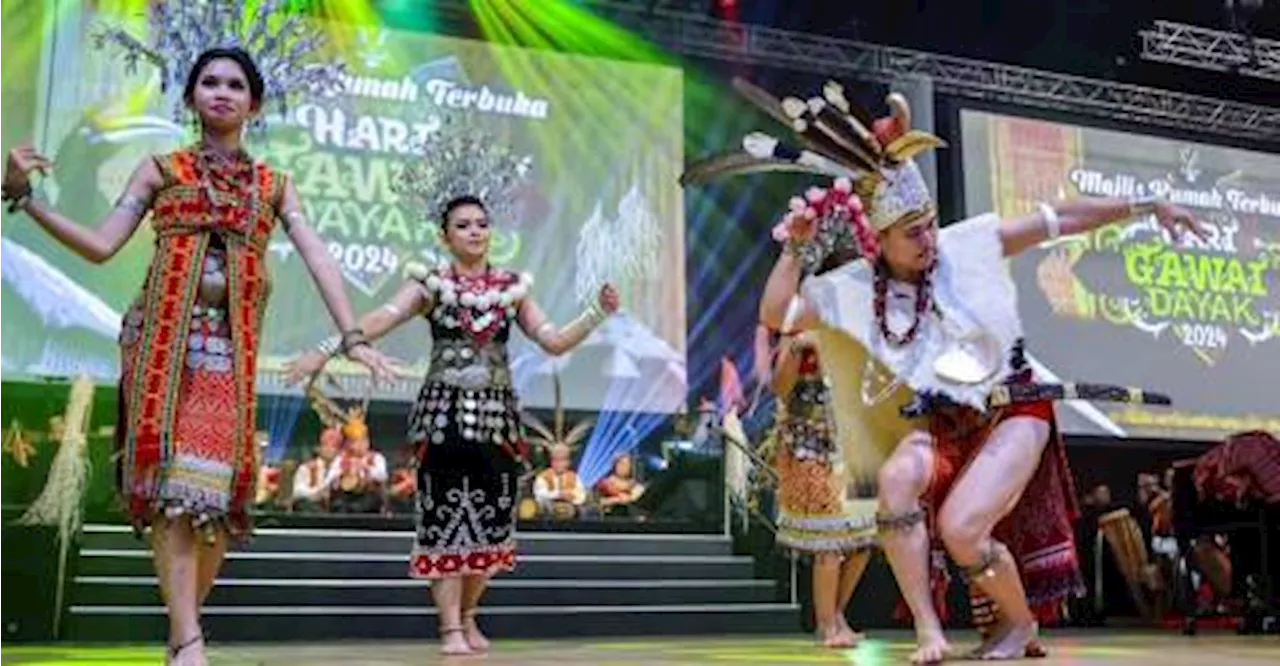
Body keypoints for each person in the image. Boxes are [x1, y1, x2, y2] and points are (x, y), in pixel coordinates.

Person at [685, 79, 1198, 663]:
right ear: (879, 241)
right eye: (913, 232)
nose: (929, 237)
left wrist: (1146, 206)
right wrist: (793, 250)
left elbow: (1058, 220)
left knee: (960, 530)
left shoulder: (967, 244)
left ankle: (1020, 624)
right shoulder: (855, 288)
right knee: (896, 485)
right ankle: (930, 631)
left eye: (929, 222)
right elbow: (777, 314)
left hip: (1013, 407)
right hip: (943, 421)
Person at [1, 47, 396, 665]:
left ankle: (184, 626)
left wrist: (353, 335)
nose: (221, 92)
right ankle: (188, 638)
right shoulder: (160, 170)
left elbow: (319, 255)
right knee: (173, 493)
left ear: (253, 104)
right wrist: (26, 200)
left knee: (215, 501)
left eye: (235, 84)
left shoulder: (274, 186)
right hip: (164, 349)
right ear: (190, 99)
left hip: (230, 356)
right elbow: (102, 246)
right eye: (208, 82)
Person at [286, 194, 620, 655]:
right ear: (445, 236)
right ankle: (448, 628)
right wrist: (327, 348)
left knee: (491, 523)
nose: (475, 232)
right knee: (444, 523)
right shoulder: (431, 284)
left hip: (497, 420)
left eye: (481, 224)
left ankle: (467, 616)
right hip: (442, 418)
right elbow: (383, 316)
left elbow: (554, 341)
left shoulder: (511, 288)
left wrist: (597, 313)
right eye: (462, 225)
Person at [323, 412, 389, 514]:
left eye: (362, 441)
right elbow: (328, 480)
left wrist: (366, 467)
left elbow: (382, 476)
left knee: (368, 502)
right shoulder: (341, 459)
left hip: (368, 496)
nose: (359, 445)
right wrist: (342, 473)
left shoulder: (376, 457)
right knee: (340, 505)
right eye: (355, 442)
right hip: (346, 496)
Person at [292, 428, 342, 512]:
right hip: (313, 505)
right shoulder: (307, 467)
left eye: (333, 446)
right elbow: (297, 491)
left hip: (334, 507)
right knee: (302, 504)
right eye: (326, 445)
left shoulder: (342, 468)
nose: (329, 449)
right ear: (319, 448)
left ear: (338, 450)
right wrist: (316, 493)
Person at [533, 442, 589, 519]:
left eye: (562, 460)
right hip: (549, 514)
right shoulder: (543, 476)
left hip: (570, 513)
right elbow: (539, 495)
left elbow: (582, 496)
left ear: (568, 462)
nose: (559, 463)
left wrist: (571, 496)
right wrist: (558, 494)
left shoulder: (574, 477)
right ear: (551, 461)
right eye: (556, 460)